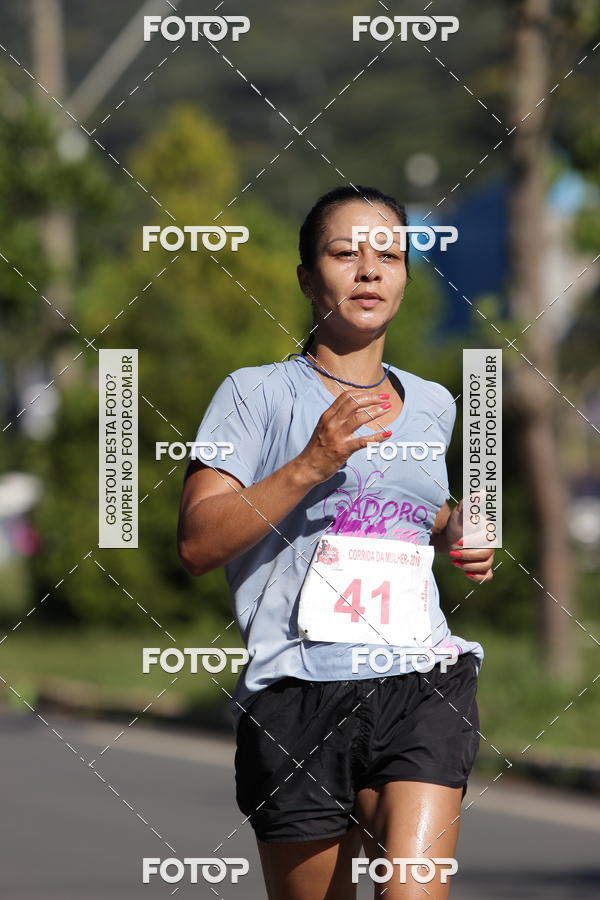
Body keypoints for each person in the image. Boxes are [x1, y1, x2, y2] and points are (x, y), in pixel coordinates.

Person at [177, 185, 494, 900]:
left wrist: (458, 530)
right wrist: (311, 464)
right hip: (297, 692)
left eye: (388, 254)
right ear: (306, 277)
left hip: (421, 679)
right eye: (344, 253)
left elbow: (415, 506)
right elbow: (197, 543)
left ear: (407, 275)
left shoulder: (435, 403)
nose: (369, 269)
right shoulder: (251, 393)